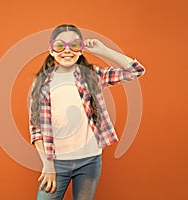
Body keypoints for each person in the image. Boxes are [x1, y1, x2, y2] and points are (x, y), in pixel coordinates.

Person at [29, 24, 146, 200]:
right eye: (60, 46)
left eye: (74, 45)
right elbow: (36, 130)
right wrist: (48, 165)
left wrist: (103, 50)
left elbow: (136, 71)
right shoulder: (42, 84)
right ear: (51, 50)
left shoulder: (92, 75)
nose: (67, 51)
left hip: (90, 160)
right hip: (57, 162)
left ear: (81, 49)